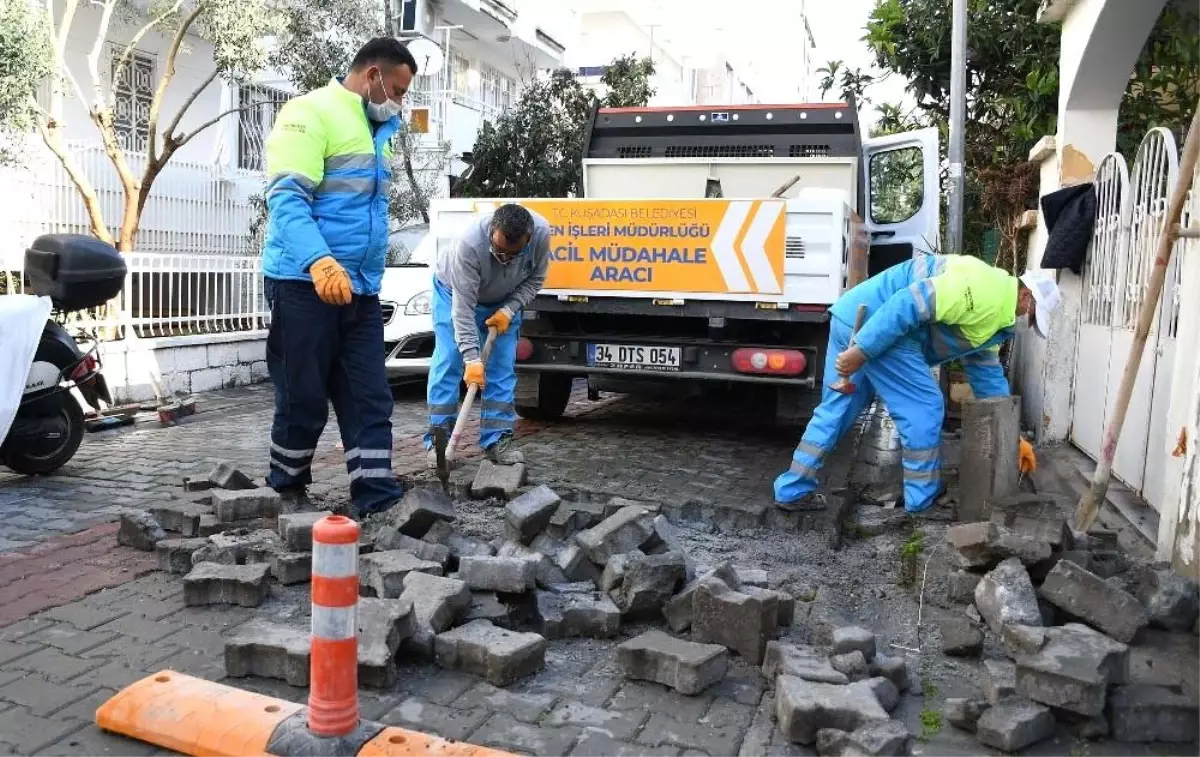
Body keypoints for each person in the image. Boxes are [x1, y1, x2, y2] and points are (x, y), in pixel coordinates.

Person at [259, 38, 419, 516]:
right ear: (372, 75)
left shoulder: (379, 128)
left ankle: (376, 495)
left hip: (361, 290)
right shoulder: (309, 113)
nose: (399, 100)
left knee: (369, 395)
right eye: (396, 88)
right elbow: (287, 200)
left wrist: (358, 274)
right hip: (304, 284)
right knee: (303, 394)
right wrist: (319, 261)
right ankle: (285, 487)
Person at [774, 252, 1061, 514]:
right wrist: (861, 350)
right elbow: (910, 302)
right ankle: (922, 502)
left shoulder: (998, 315)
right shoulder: (986, 291)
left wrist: (1014, 439)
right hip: (881, 325)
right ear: (1026, 296)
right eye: (1034, 317)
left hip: (853, 316)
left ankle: (792, 489)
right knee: (924, 406)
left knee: (838, 409)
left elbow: (987, 375)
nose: (1030, 323)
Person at [425, 204, 551, 465]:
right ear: (492, 230)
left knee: (502, 368)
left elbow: (536, 280)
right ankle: (439, 443)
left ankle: (497, 440)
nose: (505, 259)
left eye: (513, 255)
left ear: (528, 239)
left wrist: (509, 308)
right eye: (500, 251)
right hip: (453, 294)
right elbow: (462, 311)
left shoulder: (540, 234)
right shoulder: (469, 244)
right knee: (449, 361)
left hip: (504, 301)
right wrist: (472, 360)